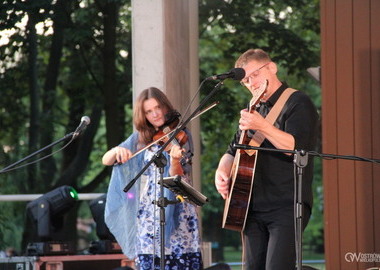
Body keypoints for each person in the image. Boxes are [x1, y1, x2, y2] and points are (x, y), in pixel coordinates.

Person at [214, 49, 318, 270]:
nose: (251, 84)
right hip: (250, 206)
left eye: (254, 75)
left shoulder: (298, 102)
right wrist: (222, 171)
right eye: (245, 81)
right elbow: (232, 150)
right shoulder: (254, 109)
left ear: (271, 67)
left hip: (286, 205)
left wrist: (262, 126)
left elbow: (295, 148)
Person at [103, 87, 203, 269]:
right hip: (151, 210)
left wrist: (174, 159)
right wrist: (116, 151)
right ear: (143, 115)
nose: (155, 114)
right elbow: (106, 160)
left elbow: (179, 175)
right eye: (148, 111)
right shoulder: (141, 138)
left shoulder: (182, 133)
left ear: (165, 107)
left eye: (158, 107)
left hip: (178, 206)